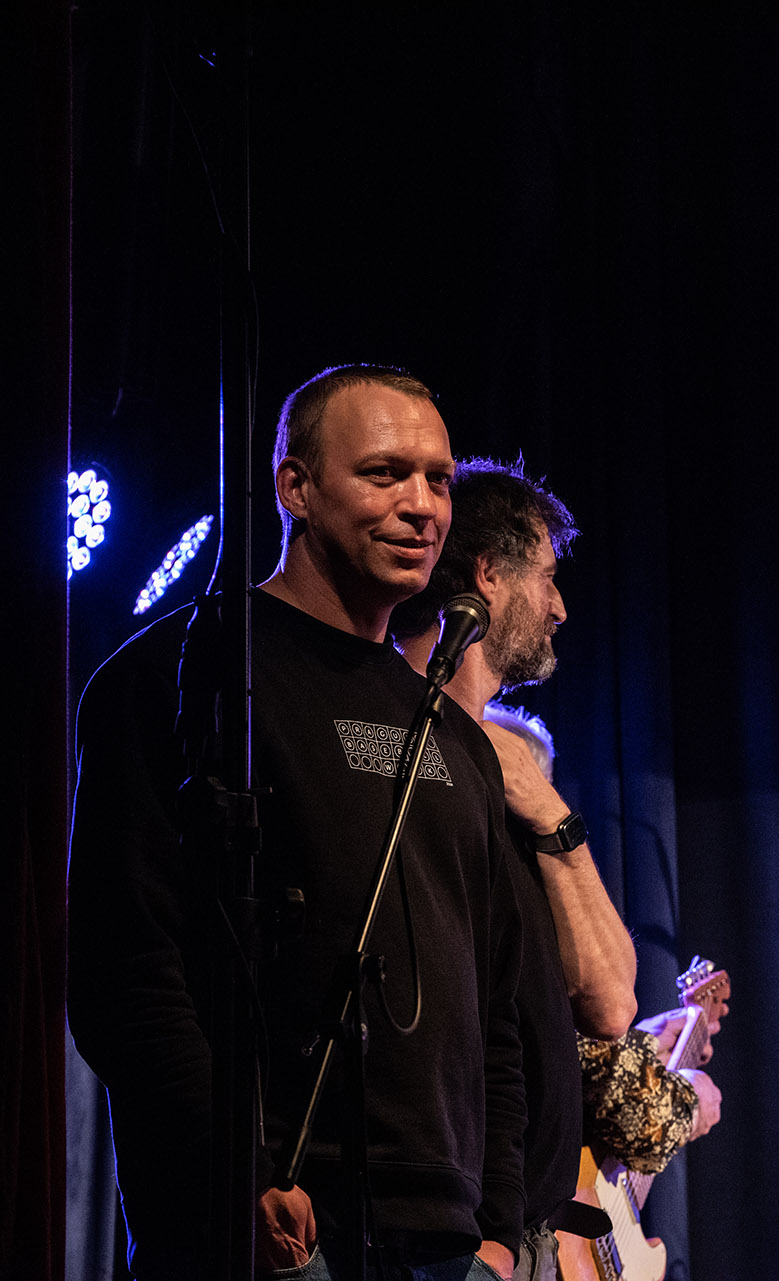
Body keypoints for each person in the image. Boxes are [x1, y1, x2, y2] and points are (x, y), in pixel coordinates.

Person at [68, 366, 527, 1280]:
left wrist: (498, 1231)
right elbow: (126, 969)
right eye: (385, 473)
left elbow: (500, 1012)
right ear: (295, 487)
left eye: (438, 479)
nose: (422, 506)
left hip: (448, 1241)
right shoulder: (180, 676)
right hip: (270, 1226)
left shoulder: (458, 738)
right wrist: (232, 1174)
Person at [389, 460, 719, 1279]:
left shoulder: (515, 777)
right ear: (488, 576)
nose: (561, 605)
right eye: (547, 576)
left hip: (520, 1228)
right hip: (447, 1223)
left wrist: (552, 816)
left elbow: (609, 1001)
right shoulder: (406, 747)